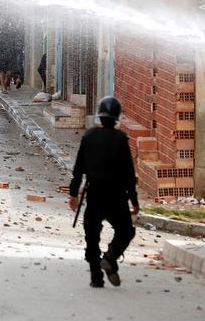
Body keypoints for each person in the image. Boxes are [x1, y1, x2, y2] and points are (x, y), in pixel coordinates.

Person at [68, 96, 139, 289]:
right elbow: (128, 173)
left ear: (99, 116)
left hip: (95, 194)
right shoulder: (121, 139)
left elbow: (78, 168)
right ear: (116, 117)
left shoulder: (88, 136)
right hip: (117, 195)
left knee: (92, 236)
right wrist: (134, 200)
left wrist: (73, 193)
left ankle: (96, 278)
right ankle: (110, 257)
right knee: (126, 231)